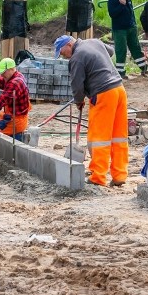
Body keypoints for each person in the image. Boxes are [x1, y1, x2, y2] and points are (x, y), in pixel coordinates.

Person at [54, 35, 128, 187]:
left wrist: (79, 101)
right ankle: (120, 174)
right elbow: (111, 51)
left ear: (69, 44)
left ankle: (98, 176)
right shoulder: (95, 42)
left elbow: (77, 85)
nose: (64, 56)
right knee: (118, 135)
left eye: (63, 53)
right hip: (119, 90)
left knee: (99, 137)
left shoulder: (77, 58)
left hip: (103, 93)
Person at [107, 0, 148, 79]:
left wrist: (134, 24)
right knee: (121, 50)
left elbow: (131, 12)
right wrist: (121, 5)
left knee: (136, 47)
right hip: (119, 29)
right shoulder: (112, 0)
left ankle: (144, 67)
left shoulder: (128, 0)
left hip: (131, 28)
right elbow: (112, 14)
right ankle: (120, 72)